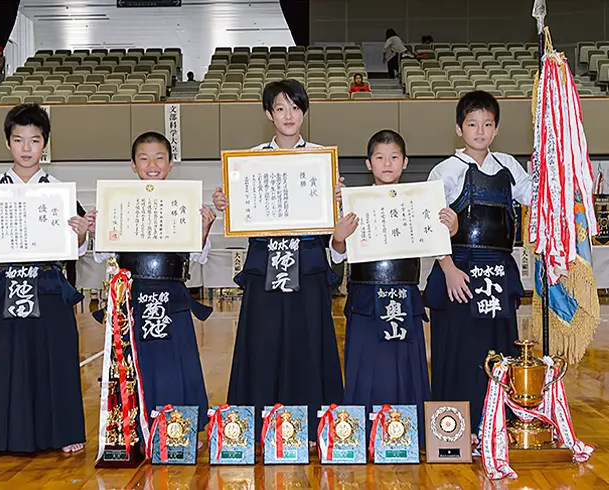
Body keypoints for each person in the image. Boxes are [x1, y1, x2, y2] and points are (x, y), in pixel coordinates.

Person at [0, 104, 90, 460]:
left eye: (34, 140)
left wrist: (81, 233)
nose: (26, 148)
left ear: (46, 144)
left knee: (55, 359)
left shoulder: (60, 191)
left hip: (47, 285)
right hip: (3, 284)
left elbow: (74, 247)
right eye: (18, 140)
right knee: (0, 361)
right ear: (7, 143)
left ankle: (63, 431)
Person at [212, 79, 344, 442]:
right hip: (265, 263)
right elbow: (240, 216)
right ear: (269, 114)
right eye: (281, 108)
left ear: (304, 112)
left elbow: (337, 223)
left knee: (309, 341)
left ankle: (316, 427)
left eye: (296, 107)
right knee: (262, 341)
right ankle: (253, 427)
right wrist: (228, 203)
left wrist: (338, 199)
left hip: (309, 262)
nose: (289, 115)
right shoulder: (250, 160)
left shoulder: (321, 159)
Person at [330, 130, 458, 447]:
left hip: (405, 295)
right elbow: (336, 255)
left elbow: (437, 244)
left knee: (406, 366)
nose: (387, 163)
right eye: (379, 157)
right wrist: (338, 237)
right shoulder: (351, 203)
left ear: (405, 162)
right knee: (364, 366)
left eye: (394, 157)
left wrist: (451, 229)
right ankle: (356, 437)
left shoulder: (421, 202)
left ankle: (410, 436)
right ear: (368, 163)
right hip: (364, 298)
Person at [87, 131, 215, 449]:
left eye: (159, 158)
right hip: (132, 298)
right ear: (133, 165)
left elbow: (198, 256)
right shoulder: (117, 203)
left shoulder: (186, 203)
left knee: (177, 363)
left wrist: (205, 226)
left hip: (172, 294)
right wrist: (95, 230)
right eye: (144, 158)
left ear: (171, 164)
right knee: (138, 364)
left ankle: (183, 430)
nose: (152, 165)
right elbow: (102, 255)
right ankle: (137, 428)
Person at [423, 91, 531, 439]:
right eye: (472, 124)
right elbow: (431, 224)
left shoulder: (508, 167)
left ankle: (495, 422)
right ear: (459, 129)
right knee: (458, 351)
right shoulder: (446, 170)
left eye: (487, 124)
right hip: (460, 272)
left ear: (496, 129)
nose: (480, 131)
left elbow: (538, 197)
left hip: (497, 273)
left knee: (497, 352)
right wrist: (448, 268)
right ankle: (454, 427)